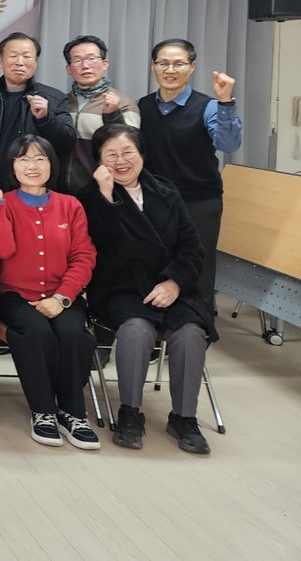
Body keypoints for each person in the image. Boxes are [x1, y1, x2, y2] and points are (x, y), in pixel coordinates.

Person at [80, 123, 217, 455]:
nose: (121, 161)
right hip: (121, 287)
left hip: (170, 285)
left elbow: (192, 247)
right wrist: (106, 196)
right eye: (110, 155)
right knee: (136, 329)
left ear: (142, 154)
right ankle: (130, 413)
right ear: (99, 161)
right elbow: (102, 246)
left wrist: (174, 282)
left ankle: (184, 418)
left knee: (190, 333)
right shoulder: (89, 196)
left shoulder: (166, 192)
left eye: (128, 152)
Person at [0, 135, 99, 450]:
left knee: (75, 334)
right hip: (15, 296)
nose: (31, 166)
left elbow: (83, 257)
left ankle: (73, 413)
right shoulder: (3, 203)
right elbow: (1, 250)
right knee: (35, 332)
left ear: (52, 164)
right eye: (23, 159)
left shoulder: (70, 205)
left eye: (39, 158)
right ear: (12, 167)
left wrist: (62, 298)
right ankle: (43, 411)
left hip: (63, 295)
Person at [137, 38, 241, 317]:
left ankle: (199, 330)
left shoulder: (210, 106)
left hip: (199, 202)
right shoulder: (142, 106)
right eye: (163, 63)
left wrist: (226, 101)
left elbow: (228, 144)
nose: (170, 70)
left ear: (192, 67)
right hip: (156, 201)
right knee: (156, 265)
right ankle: (155, 330)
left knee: (198, 268)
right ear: (153, 66)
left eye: (179, 63)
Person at [0, 31, 76, 201]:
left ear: (36, 62)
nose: (20, 62)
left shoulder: (54, 98)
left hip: (33, 189)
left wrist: (45, 118)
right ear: (0, 61)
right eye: (13, 56)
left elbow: (68, 142)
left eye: (27, 56)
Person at [60, 35, 140, 196]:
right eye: (77, 60)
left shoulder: (124, 103)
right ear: (68, 69)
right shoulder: (61, 102)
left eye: (92, 59)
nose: (85, 66)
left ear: (105, 64)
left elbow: (128, 150)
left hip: (103, 190)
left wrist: (112, 114)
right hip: (62, 191)